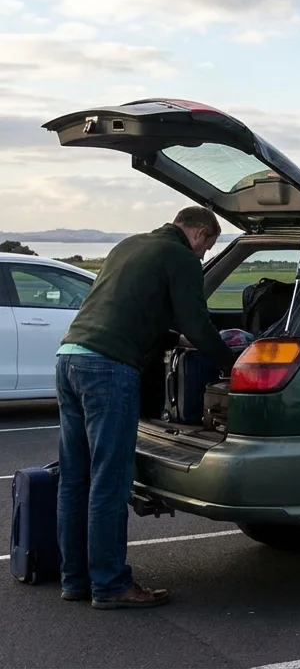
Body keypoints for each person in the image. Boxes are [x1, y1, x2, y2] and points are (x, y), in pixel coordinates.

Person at [54, 207, 238, 609]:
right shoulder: (181, 257)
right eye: (208, 246)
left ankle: (75, 580)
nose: (205, 255)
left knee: (76, 477)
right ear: (200, 232)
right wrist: (231, 363)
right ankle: (111, 585)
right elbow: (197, 324)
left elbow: (135, 311)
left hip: (69, 358)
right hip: (108, 368)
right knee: (109, 479)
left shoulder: (130, 246)